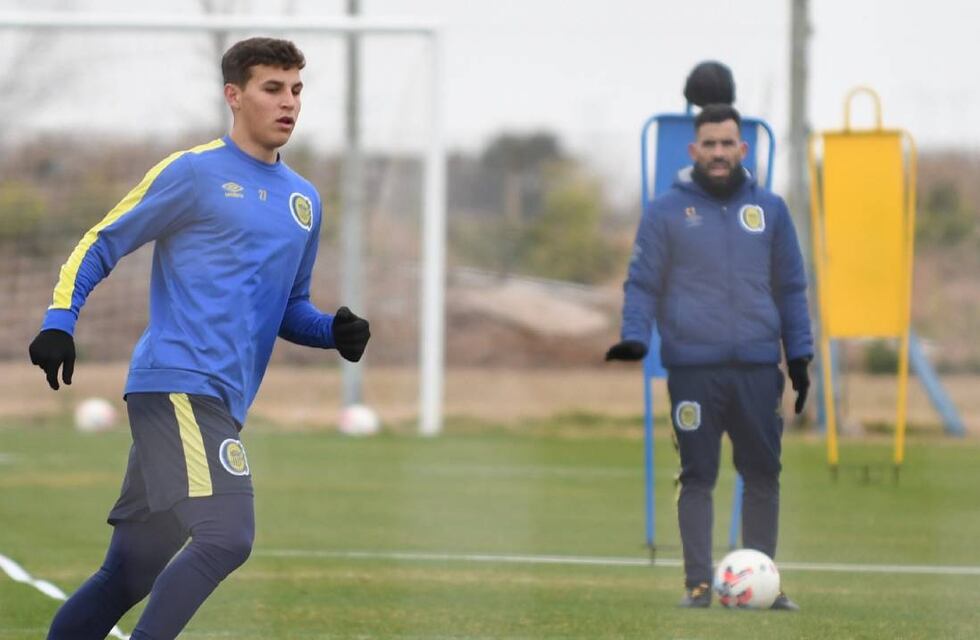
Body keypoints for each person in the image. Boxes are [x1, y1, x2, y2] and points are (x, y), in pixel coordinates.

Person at [28, 37, 370, 639]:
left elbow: (288, 307)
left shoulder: (303, 201)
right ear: (233, 96)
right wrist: (60, 320)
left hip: (218, 400)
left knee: (129, 573)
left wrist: (332, 332)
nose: (289, 103)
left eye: (296, 90)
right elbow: (102, 241)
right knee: (226, 535)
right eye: (272, 89)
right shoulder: (193, 172)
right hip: (178, 385)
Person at [606, 103, 812, 610]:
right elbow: (642, 283)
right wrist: (635, 336)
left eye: (727, 144)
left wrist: (800, 356)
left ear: (742, 148)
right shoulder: (665, 212)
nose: (718, 153)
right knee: (698, 476)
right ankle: (698, 584)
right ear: (694, 149)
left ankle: (763, 586)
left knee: (762, 474)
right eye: (710, 144)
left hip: (759, 368)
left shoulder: (771, 210)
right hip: (693, 370)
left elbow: (791, 289)